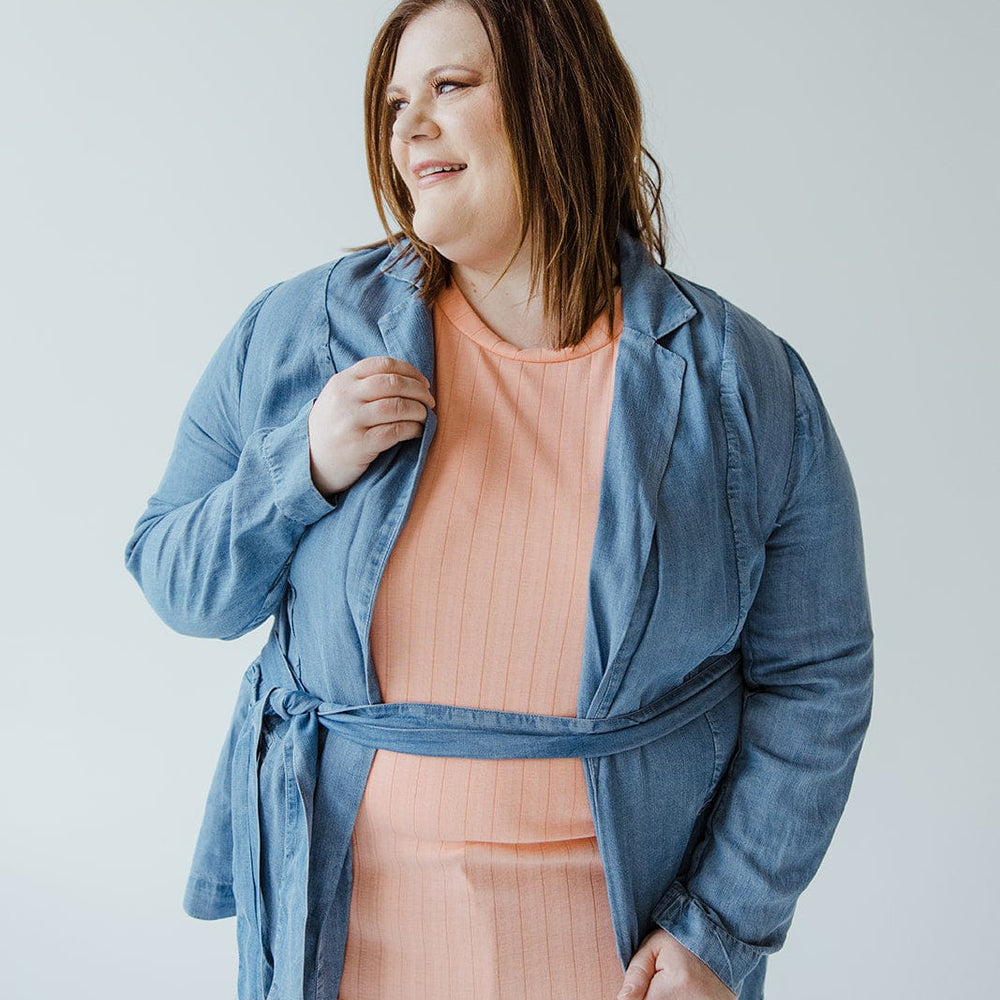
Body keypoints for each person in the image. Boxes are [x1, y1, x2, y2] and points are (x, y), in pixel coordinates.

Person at [124, 0, 874, 998]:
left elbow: (817, 676)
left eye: (449, 87)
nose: (408, 128)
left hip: (613, 965)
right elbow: (177, 582)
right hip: (342, 949)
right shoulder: (297, 336)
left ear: (556, 99)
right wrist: (296, 469)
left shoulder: (741, 383)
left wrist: (718, 931)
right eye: (395, 101)